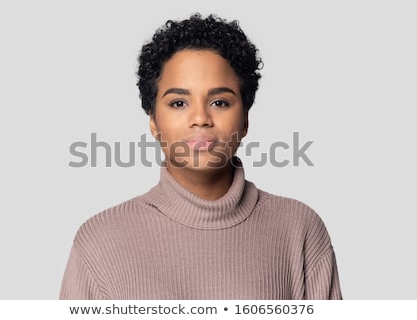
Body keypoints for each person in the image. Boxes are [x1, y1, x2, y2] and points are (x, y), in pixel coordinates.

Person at [59, 13, 342, 300]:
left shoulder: (299, 228)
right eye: (179, 103)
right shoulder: (98, 241)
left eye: (219, 102)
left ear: (244, 119)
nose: (200, 118)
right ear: (154, 122)